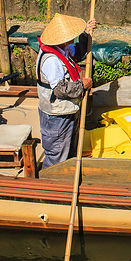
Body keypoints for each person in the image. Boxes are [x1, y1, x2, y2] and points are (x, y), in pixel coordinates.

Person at [36, 13, 97, 168]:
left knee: (69, 149)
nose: (73, 37)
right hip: (56, 115)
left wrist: (86, 33)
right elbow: (60, 89)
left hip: (67, 110)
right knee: (57, 155)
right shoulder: (52, 60)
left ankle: (65, 180)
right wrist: (82, 85)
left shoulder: (62, 49)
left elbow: (78, 51)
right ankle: (50, 186)